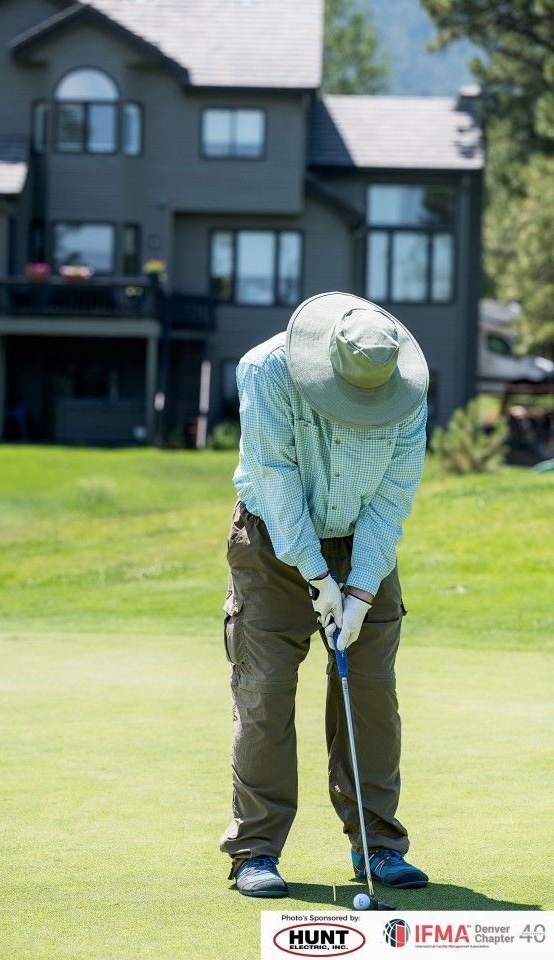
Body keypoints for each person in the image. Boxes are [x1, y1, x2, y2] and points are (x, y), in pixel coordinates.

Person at [220, 291, 430, 898]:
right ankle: (255, 850)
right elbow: (277, 480)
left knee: (370, 694)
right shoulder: (265, 371)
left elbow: (393, 494)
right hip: (271, 544)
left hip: (363, 541)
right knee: (264, 692)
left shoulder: (405, 387)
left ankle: (380, 847)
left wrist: (360, 591)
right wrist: (316, 577)